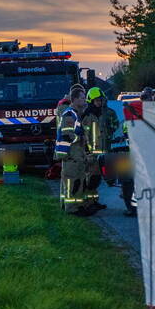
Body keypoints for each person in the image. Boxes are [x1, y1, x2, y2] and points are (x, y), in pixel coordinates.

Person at [55, 87, 100, 216]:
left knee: (78, 182)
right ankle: (72, 209)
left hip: (76, 155)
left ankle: (78, 206)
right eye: (81, 97)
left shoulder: (75, 114)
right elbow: (67, 134)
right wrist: (81, 137)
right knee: (72, 182)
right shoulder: (70, 114)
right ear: (74, 99)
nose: (84, 99)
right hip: (71, 156)